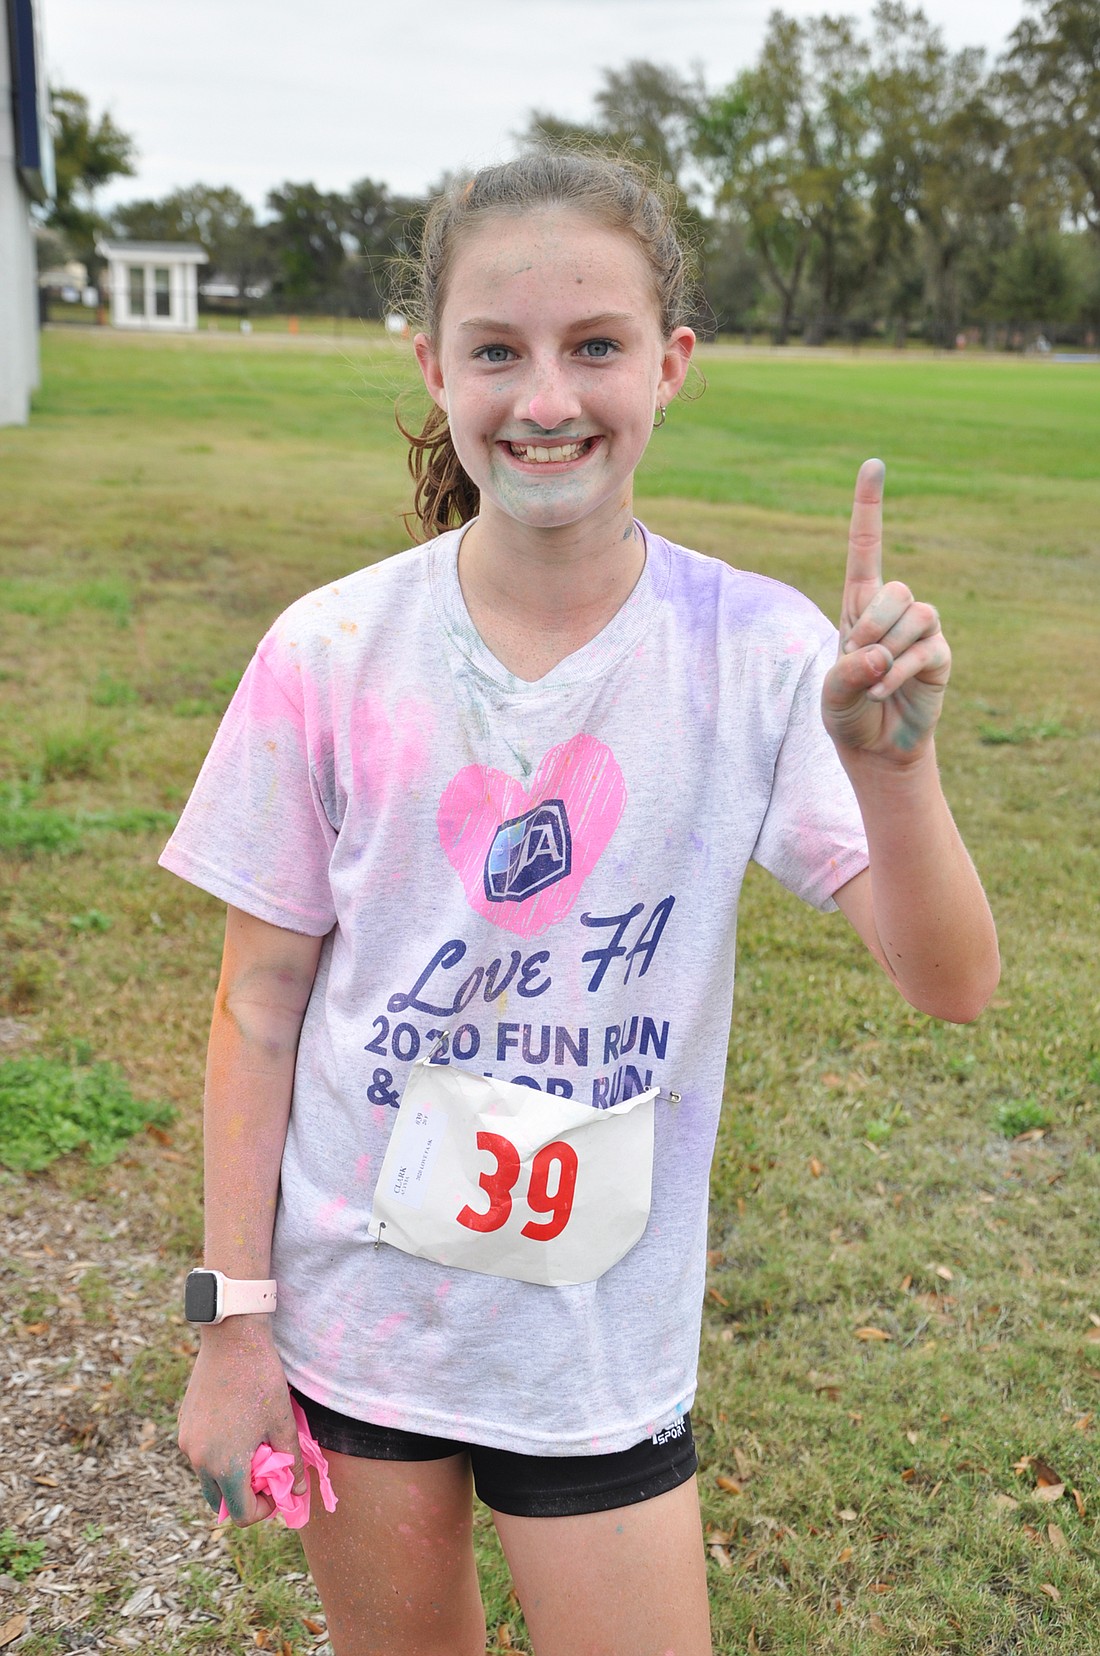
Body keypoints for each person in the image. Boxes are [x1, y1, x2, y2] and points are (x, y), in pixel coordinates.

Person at [163, 152, 999, 1656]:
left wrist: (895, 774)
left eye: (595, 345)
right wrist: (233, 1324)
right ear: (435, 368)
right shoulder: (330, 651)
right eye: (497, 351)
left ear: (669, 365)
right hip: (361, 1318)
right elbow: (261, 1005)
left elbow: (954, 984)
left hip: (596, 1343)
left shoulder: (753, 653)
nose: (546, 399)